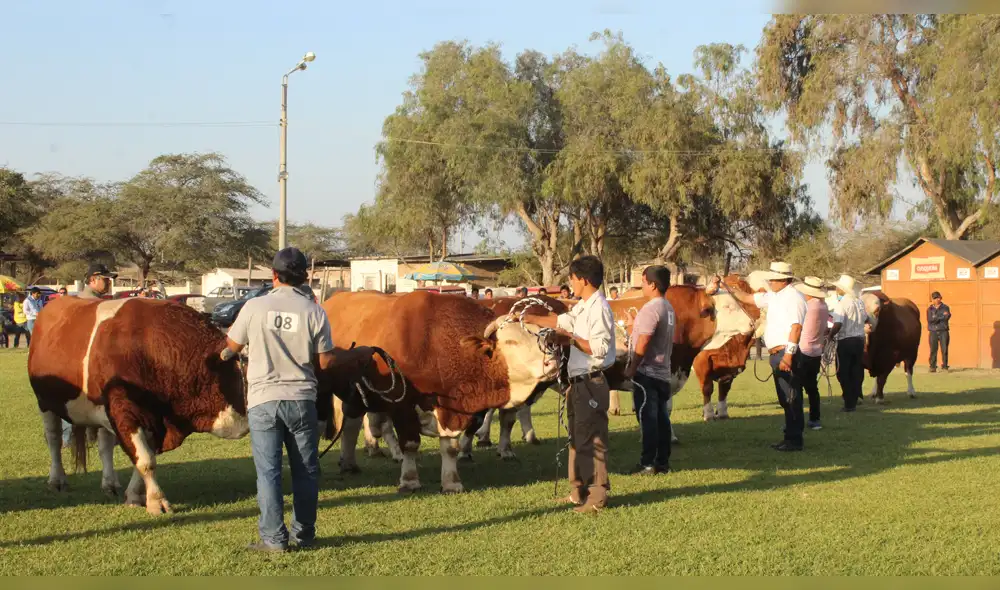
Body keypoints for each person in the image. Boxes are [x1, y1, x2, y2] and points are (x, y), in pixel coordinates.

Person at [222, 247, 373, 552]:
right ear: (304, 277)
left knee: (268, 473)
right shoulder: (314, 311)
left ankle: (274, 540)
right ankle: (303, 536)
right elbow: (327, 361)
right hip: (302, 399)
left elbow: (232, 344)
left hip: (264, 401)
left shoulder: (253, 307)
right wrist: (357, 353)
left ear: (274, 275)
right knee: (306, 471)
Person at [523, 255, 615, 513]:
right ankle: (577, 492)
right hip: (577, 382)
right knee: (577, 438)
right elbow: (562, 322)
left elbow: (597, 348)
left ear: (584, 280)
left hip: (591, 382)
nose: (570, 283)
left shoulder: (599, 309)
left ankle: (597, 497)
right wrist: (533, 319)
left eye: (572, 279)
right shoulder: (584, 306)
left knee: (593, 439)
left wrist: (570, 340)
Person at [719, 261, 807, 451]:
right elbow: (748, 298)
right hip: (778, 353)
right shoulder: (775, 296)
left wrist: (789, 356)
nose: (771, 282)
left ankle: (795, 439)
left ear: (783, 280)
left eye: (773, 279)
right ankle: (790, 436)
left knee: (791, 397)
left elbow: (796, 328)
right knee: (786, 397)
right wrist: (727, 286)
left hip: (785, 352)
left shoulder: (794, 298)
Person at [623, 265, 675, 475]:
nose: (641, 286)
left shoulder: (650, 309)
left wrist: (632, 367)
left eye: (643, 282)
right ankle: (662, 462)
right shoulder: (667, 307)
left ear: (652, 284)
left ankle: (647, 463)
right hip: (662, 372)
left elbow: (644, 341)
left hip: (648, 374)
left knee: (648, 419)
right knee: (662, 419)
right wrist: (632, 327)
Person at [794, 277, 829, 431]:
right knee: (812, 387)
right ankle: (815, 419)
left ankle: (796, 420)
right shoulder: (823, 305)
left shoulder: (808, 306)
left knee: (797, 387)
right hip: (816, 351)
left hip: (803, 349)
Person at [828, 274, 867, 412]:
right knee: (856, 371)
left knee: (843, 372)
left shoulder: (842, 303)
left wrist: (830, 335)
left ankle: (849, 402)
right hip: (859, 340)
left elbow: (838, 323)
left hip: (845, 341)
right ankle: (854, 399)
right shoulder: (859, 302)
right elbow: (866, 319)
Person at [927, 291, 950, 373]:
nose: (937, 299)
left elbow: (947, 317)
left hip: (943, 331)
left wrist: (936, 317)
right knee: (933, 350)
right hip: (933, 331)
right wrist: (941, 317)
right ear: (932, 299)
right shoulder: (930, 309)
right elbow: (930, 320)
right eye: (935, 298)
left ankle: (945, 366)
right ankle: (932, 367)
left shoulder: (945, 307)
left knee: (944, 349)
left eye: (938, 298)